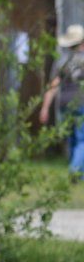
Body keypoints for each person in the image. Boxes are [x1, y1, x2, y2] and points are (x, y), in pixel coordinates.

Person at [40, 24, 84, 178]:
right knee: (82, 139)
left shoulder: (62, 61)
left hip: (64, 104)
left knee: (71, 138)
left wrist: (45, 107)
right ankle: (75, 171)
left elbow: (53, 86)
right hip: (81, 103)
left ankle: (78, 173)